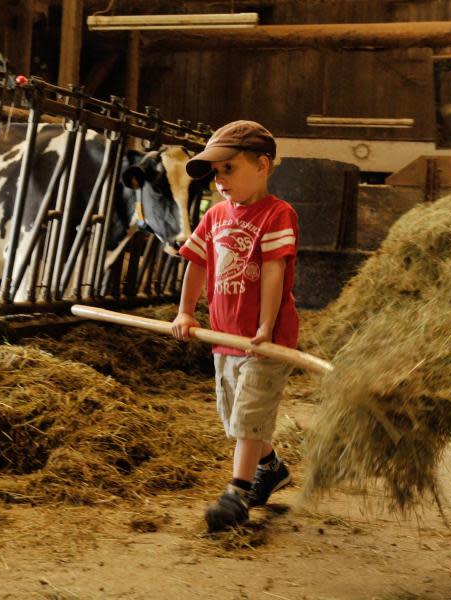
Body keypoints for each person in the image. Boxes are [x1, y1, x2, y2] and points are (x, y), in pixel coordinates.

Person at [172, 120, 299, 532]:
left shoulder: (277, 214)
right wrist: (186, 313)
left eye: (230, 168)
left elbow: (273, 273)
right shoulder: (214, 215)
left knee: (247, 415)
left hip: (265, 340)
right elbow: (196, 265)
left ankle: (237, 494)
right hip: (224, 336)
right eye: (216, 171)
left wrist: (265, 328)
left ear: (262, 165)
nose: (220, 179)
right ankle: (271, 468)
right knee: (237, 418)